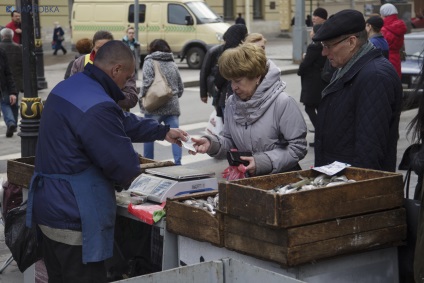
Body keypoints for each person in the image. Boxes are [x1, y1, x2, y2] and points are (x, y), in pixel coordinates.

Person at [25, 40, 188, 282]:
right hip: (73, 214)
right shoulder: (98, 105)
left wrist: (162, 131)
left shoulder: (70, 86)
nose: (129, 82)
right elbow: (122, 166)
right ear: (116, 70)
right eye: (129, 75)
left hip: (49, 206)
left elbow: (120, 121)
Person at [190, 43, 307, 177]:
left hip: (282, 181)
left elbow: (298, 147)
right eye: (231, 81)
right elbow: (229, 140)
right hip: (249, 180)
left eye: (238, 81)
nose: (234, 87)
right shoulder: (231, 104)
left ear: (257, 76)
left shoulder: (283, 103)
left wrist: (263, 162)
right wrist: (212, 144)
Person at [312, 9, 402, 172]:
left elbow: (369, 152)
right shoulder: (347, 68)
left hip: (354, 186)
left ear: (352, 42)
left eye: (328, 46)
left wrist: (357, 192)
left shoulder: (374, 76)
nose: (324, 53)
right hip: (340, 180)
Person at [140, 39, 184, 165]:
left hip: (154, 107)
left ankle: (149, 163)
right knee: (176, 136)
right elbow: (180, 88)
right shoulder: (172, 63)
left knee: (149, 135)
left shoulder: (149, 62)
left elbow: (146, 83)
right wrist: (173, 97)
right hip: (172, 107)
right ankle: (178, 164)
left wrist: (141, 99)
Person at [70, 30, 138, 110]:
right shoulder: (80, 62)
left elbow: (132, 99)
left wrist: (107, 93)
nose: (103, 51)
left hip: (115, 118)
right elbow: (71, 92)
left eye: (106, 47)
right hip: (87, 116)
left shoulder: (125, 64)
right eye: (99, 48)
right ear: (93, 46)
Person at [297, 24, 327, 141]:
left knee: (309, 107)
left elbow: (306, 63)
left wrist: (300, 69)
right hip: (320, 80)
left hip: (312, 81)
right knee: (319, 107)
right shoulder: (323, 45)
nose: (310, 33)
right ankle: (322, 133)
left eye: (312, 31)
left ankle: (320, 132)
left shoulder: (314, 47)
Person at [214, 24, 248, 119]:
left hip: (227, 99)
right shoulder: (242, 55)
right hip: (238, 101)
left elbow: (218, 81)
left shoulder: (224, 53)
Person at [380, 3, 407, 78]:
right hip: (397, 57)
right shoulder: (399, 26)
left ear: (384, 14)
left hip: (386, 58)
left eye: (381, 14)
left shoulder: (384, 29)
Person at [0, 48, 18, 138]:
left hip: (3, 86)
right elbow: (8, 72)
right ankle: (11, 123)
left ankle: (11, 123)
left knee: (5, 103)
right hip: (5, 85)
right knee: (6, 103)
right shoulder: (2, 51)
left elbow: (7, 72)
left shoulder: (2, 52)